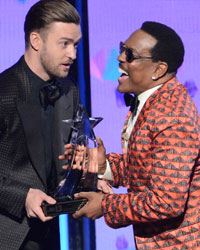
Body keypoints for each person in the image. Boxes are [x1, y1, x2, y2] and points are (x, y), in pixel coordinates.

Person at [72, 21, 200, 249]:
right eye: (122, 49)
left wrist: (105, 205)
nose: (120, 58)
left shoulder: (173, 116)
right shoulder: (152, 101)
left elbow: (166, 201)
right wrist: (103, 166)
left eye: (129, 54)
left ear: (158, 70)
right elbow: (147, 169)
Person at [0, 0, 82, 249]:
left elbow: (66, 159)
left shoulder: (69, 91)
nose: (73, 55)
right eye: (64, 44)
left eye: (75, 45)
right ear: (36, 41)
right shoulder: (4, 93)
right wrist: (22, 196)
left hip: (49, 234)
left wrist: (89, 175)